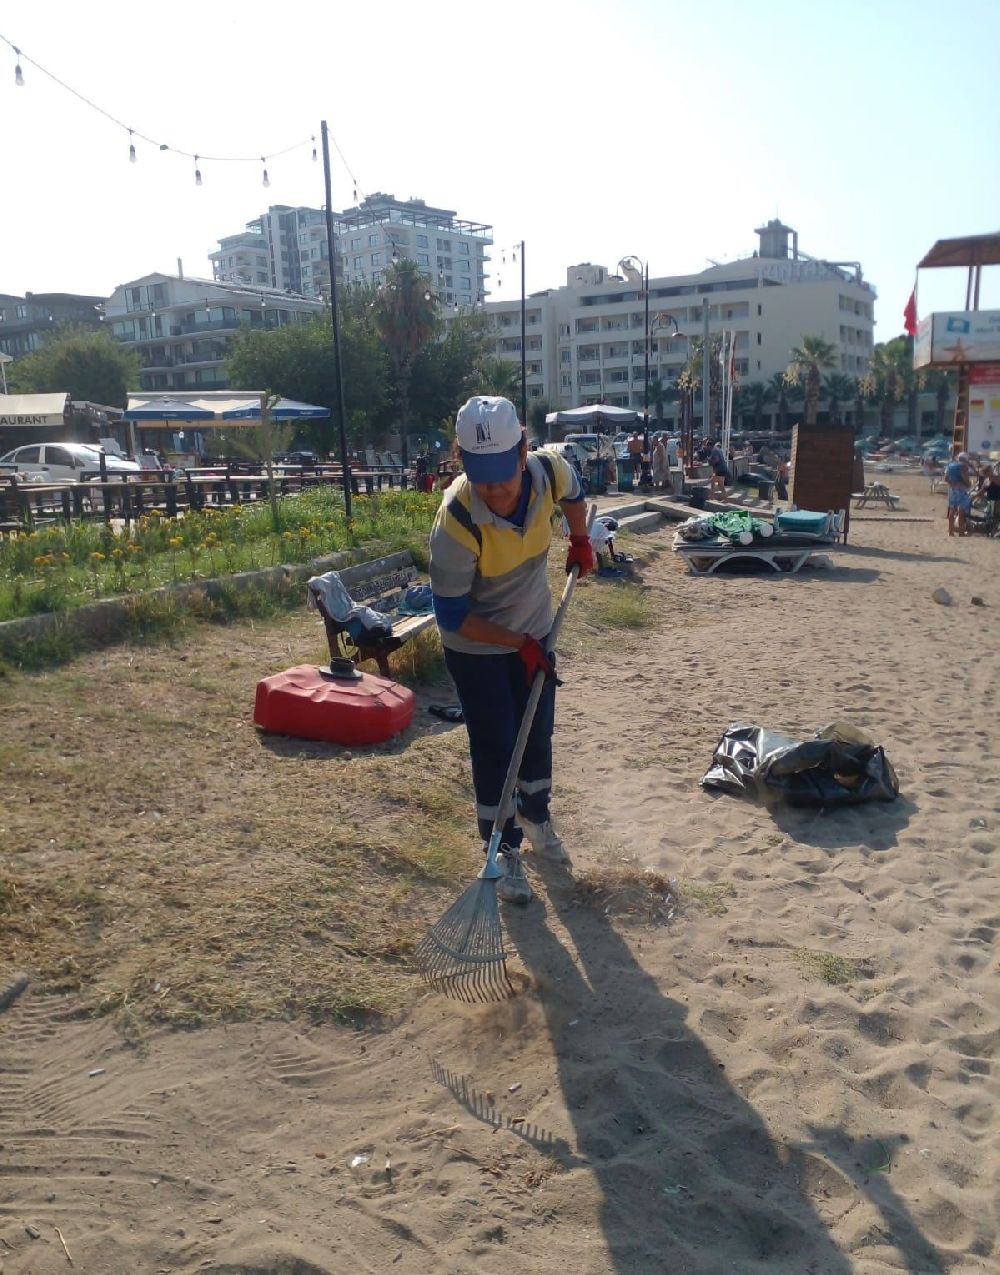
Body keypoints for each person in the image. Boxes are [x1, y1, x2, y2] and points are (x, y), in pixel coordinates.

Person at [429, 396, 592, 904]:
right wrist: (516, 644)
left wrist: (580, 538)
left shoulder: (547, 471)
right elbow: (452, 615)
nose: (495, 489)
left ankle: (537, 817)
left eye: (503, 473)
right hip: (475, 645)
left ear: (523, 452)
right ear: (463, 462)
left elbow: (574, 491)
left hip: (533, 631)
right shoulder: (456, 521)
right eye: (483, 476)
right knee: (496, 741)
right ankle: (502, 848)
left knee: (536, 730)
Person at [945, 452, 972, 536]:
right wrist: (967, 484)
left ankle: (951, 532)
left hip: (953, 489)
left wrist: (953, 483)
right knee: (961, 510)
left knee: (952, 510)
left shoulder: (950, 465)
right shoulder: (963, 467)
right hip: (962, 490)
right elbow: (966, 479)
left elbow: (946, 478)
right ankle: (961, 532)